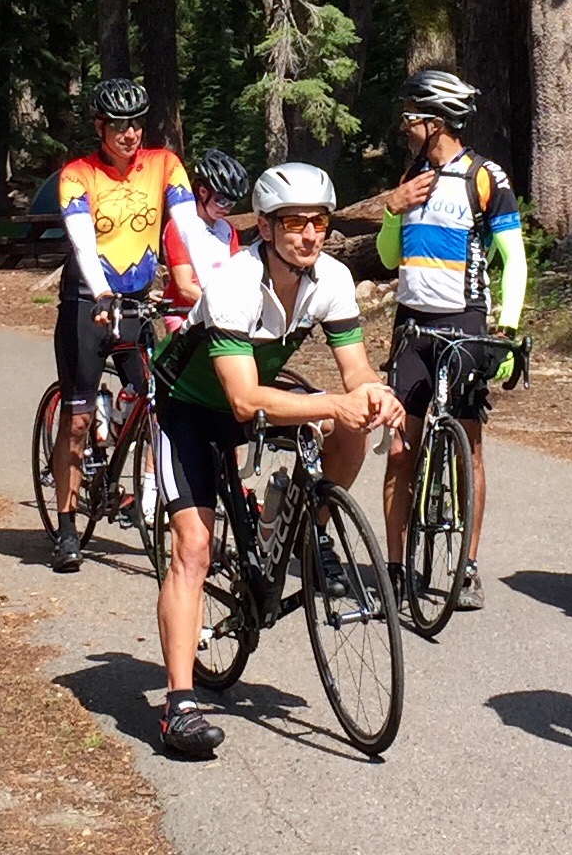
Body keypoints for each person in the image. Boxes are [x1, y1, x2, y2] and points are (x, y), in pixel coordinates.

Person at [147, 163, 397, 759]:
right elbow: (241, 399)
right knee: (194, 549)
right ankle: (179, 706)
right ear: (264, 227)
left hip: (254, 391)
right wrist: (332, 402)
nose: (309, 235)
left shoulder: (332, 278)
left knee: (351, 421)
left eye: (319, 223)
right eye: (294, 223)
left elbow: (355, 368)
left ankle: (306, 529)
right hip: (190, 406)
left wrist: (372, 394)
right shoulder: (235, 283)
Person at [375, 67, 526, 611]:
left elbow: (514, 258)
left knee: (469, 447)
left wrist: (507, 328)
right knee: (400, 450)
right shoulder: (412, 175)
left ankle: (467, 566)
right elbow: (389, 258)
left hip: (465, 321)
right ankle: (396, 570)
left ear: (434, 122)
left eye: (410, 119)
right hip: (411, 325)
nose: (404, 128)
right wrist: (392, 209)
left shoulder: (484, 176)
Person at [46, 78, 207, 571]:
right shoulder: (78, 174)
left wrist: (215, 282)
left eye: (135, 123)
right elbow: (82, 241)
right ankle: (67, 527)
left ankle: (151, 493)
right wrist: (101, 292)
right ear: (100, 128)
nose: (129, 133)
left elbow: (189, 226)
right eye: (118, 125)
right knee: (76, 419)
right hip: (88, 300)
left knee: (157, 404)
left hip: (137, 300)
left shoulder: (164, 164)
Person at [185, 148, 252, 265]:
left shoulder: (227, 229)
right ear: (203, 192)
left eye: (232, 204)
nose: (227, 209)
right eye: (222, 201)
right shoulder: (182, 227)